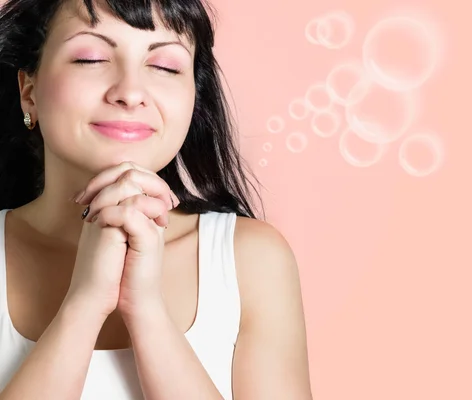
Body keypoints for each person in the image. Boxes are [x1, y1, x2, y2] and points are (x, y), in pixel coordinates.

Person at [0, 0, 313, 398]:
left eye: (165, 66)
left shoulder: (251, 260)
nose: (131, 93)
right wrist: (85, 303)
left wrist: (146, 310)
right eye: (91, 58)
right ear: (29, 91)